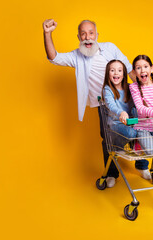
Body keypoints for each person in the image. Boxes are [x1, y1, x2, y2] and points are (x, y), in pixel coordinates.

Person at [42, 19, 137, 187]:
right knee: (107, 137)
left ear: (97, 35)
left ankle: (142, 164)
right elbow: (53, 57)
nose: (87, 37)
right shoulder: (76, 56)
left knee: (138, 126)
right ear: (79, 37)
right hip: (103, 104)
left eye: (91, 33)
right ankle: (111, 174)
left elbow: (129, 69)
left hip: (126, 97)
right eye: (83, 34)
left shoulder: (110, 48)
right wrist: (47, 33)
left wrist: (142, 94)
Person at [101, 60, 150, 187]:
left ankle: (142, 166)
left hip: (132, 121)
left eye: (119, 70)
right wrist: (121, 112)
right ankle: (112, 171)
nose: (116, 73)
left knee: (142, 129)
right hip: (116, 123)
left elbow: (137, 104)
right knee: (131, 133)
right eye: (112, 70)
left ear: (124, 74)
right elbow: (111, 105)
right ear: (108, 73)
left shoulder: (130, 87)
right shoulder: (108, 89)